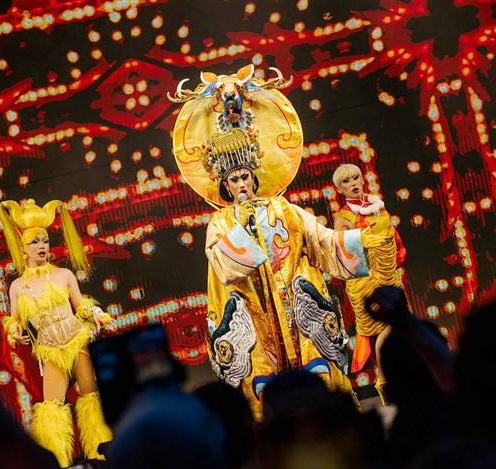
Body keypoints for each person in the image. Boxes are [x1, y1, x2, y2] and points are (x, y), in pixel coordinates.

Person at [170, 64, 380, 416]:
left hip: (297, 306)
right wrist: (245, 234)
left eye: (245, 176)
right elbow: (221, 264)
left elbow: (319, 238)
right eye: (234, 179)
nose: (242, 184)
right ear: (225, 184)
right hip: (253, 310)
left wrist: (363, 240)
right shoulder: (220, 220)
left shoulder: (282, 206)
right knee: (261, 381)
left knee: (318, 372)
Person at [0, 199, 115, 468]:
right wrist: (15, 332)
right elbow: (13, 319)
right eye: (35, 242)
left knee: (91, 399)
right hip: (50, 348)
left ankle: (102, 457)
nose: (42, 246)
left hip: (77, 340)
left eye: (45, 241)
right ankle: (58, 466)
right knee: (52, 407)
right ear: (23, 248)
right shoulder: (17, 286)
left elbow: (80, 304)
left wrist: (97, 315)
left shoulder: (63, 274)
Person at [332, 163, 406, 403]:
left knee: (401, 325)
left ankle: (404, 376)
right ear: (339, 189)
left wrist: (392, 259)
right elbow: (349, 256)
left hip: (388, 273)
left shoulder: (377, 206)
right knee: (383, 328)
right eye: (346, 181)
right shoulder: (343, 218)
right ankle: (384, 382)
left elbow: (393, 238)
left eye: (356, 178)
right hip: (365, 279)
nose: (353, 183)